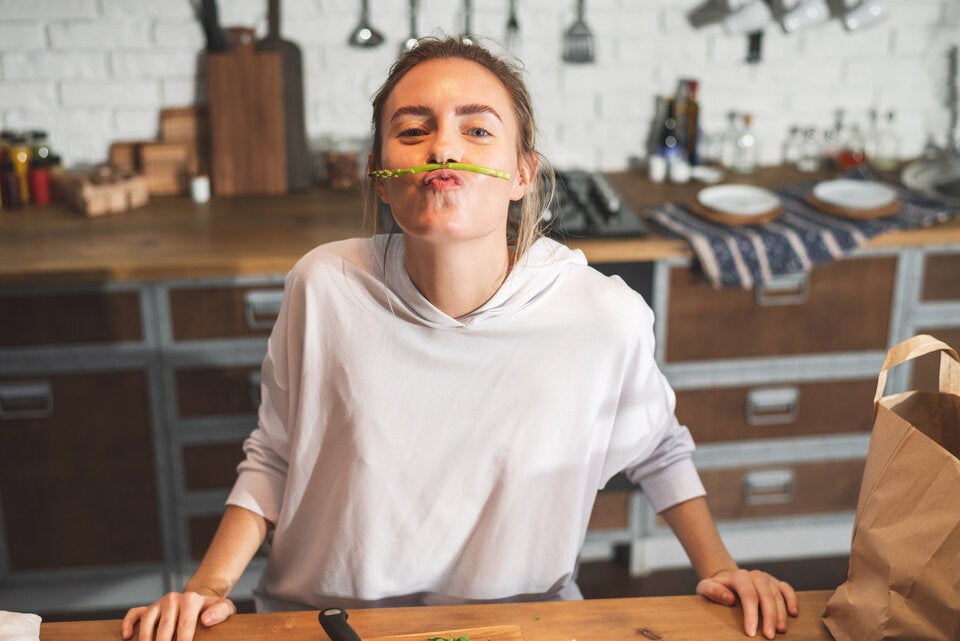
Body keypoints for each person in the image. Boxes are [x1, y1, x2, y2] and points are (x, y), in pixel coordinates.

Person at [122, 36, 798, 641]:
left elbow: (658, 447)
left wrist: (720, 568)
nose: (442, 148)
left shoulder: (603, 315)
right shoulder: (323, 285)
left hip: (524, 623)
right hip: (328, 622)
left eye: (476, 130)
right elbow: (274, 454)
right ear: (380, 176)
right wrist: (206, 588)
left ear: (523, 173)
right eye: (413, 130)